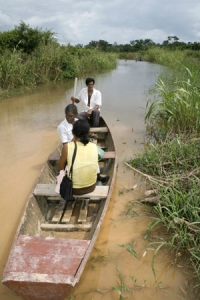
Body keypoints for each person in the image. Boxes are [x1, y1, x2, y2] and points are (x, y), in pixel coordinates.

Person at [58, 119, 98, 195]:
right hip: (92, 187)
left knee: (62, 173)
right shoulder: (94, 146)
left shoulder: (67, 147)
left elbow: (60, 167)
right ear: (88, 133)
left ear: (72, 132)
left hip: (74, 190)